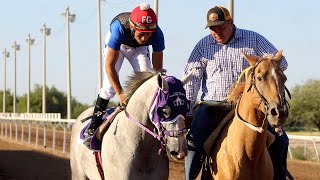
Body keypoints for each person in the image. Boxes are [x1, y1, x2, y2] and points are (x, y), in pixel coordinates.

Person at [183, 6, 289, 180]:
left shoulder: (253, 39)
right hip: (213, 106)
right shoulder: (202, 46)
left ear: (231, 23)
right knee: (194, 144)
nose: (216, 32)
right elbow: (192, 80)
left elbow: (281, 63)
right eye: (212, 28)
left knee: (281, 141)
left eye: (220, 27)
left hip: (250, 105)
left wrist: (261, 65)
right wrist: (187, 111)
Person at [83, 3, 165, 144]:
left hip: (139, 50)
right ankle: (94, 125)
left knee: (148, 81)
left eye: (148, 34)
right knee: (109, 87)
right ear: (133, 28)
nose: (145, 38)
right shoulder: (118, 29)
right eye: (142, 34)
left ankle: (152, 123)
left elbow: (157, 73)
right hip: (118, 46)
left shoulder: (157, 34)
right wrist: (120, 93)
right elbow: (109, 66)